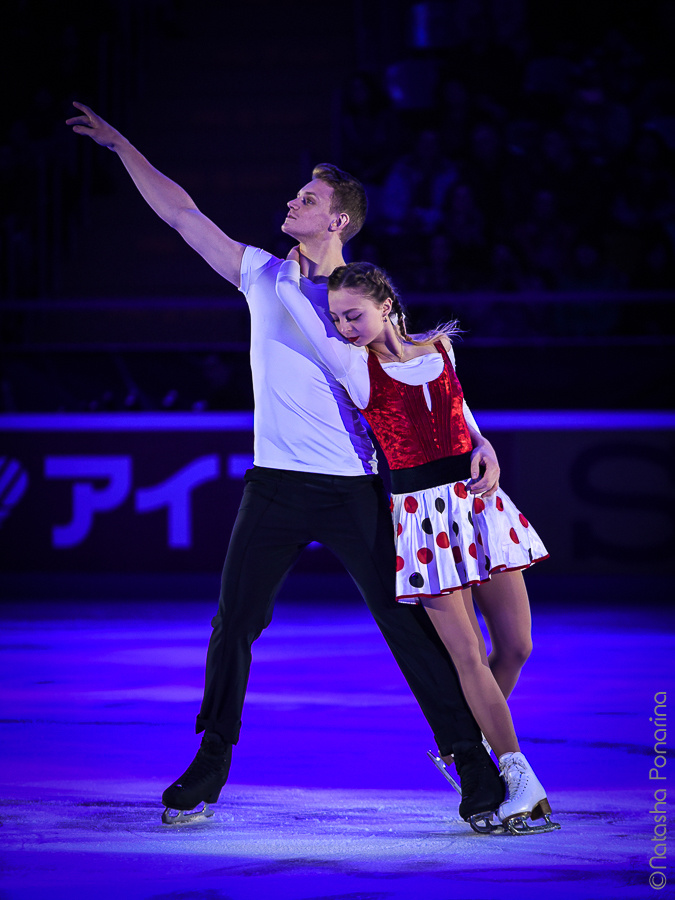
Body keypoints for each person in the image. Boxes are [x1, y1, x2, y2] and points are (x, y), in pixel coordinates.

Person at [66, 102, 506, 833]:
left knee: (408, 629)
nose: (292, 203)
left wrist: (478, 437)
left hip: (356, 487)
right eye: (296, 195)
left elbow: (421, 368)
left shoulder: (361, 298)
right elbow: (181, 214)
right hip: (273, 484)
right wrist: (121, 147)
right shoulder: (260, 274)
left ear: (338, 219)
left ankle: (472, 765)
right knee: (234, 622)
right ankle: (210, 761)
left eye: (308, 198)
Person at [275, 252, 559, 834]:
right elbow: (295, 310)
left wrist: (486, 446)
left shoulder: (441, 349)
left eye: (353, 315)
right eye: (337, 318)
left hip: (477, 505)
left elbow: (466, 419)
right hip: (422, 519)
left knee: (517, 646)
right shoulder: (355, 367)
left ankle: (468, 743)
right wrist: (285, 273)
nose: (344, 327)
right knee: (467, 654)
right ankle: (518, 775)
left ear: (386, 306)